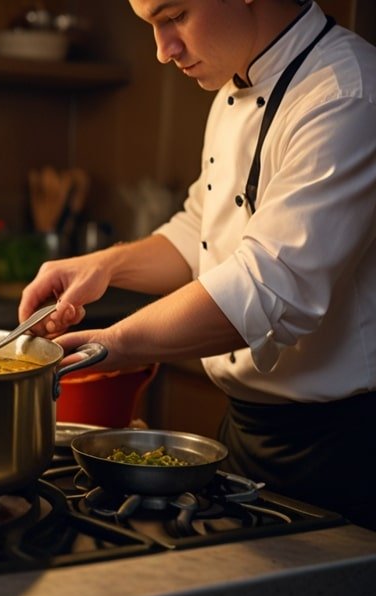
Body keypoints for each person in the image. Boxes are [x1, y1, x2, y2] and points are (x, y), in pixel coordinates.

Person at [19, 0, 376, 529]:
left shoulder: (348, 94)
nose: (163, 52)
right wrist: (106, 265)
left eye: (175, 16)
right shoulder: (234, 80)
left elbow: (270, 286)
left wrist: (111, 345)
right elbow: (201, 231)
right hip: (244, 431)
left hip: (341, 450)